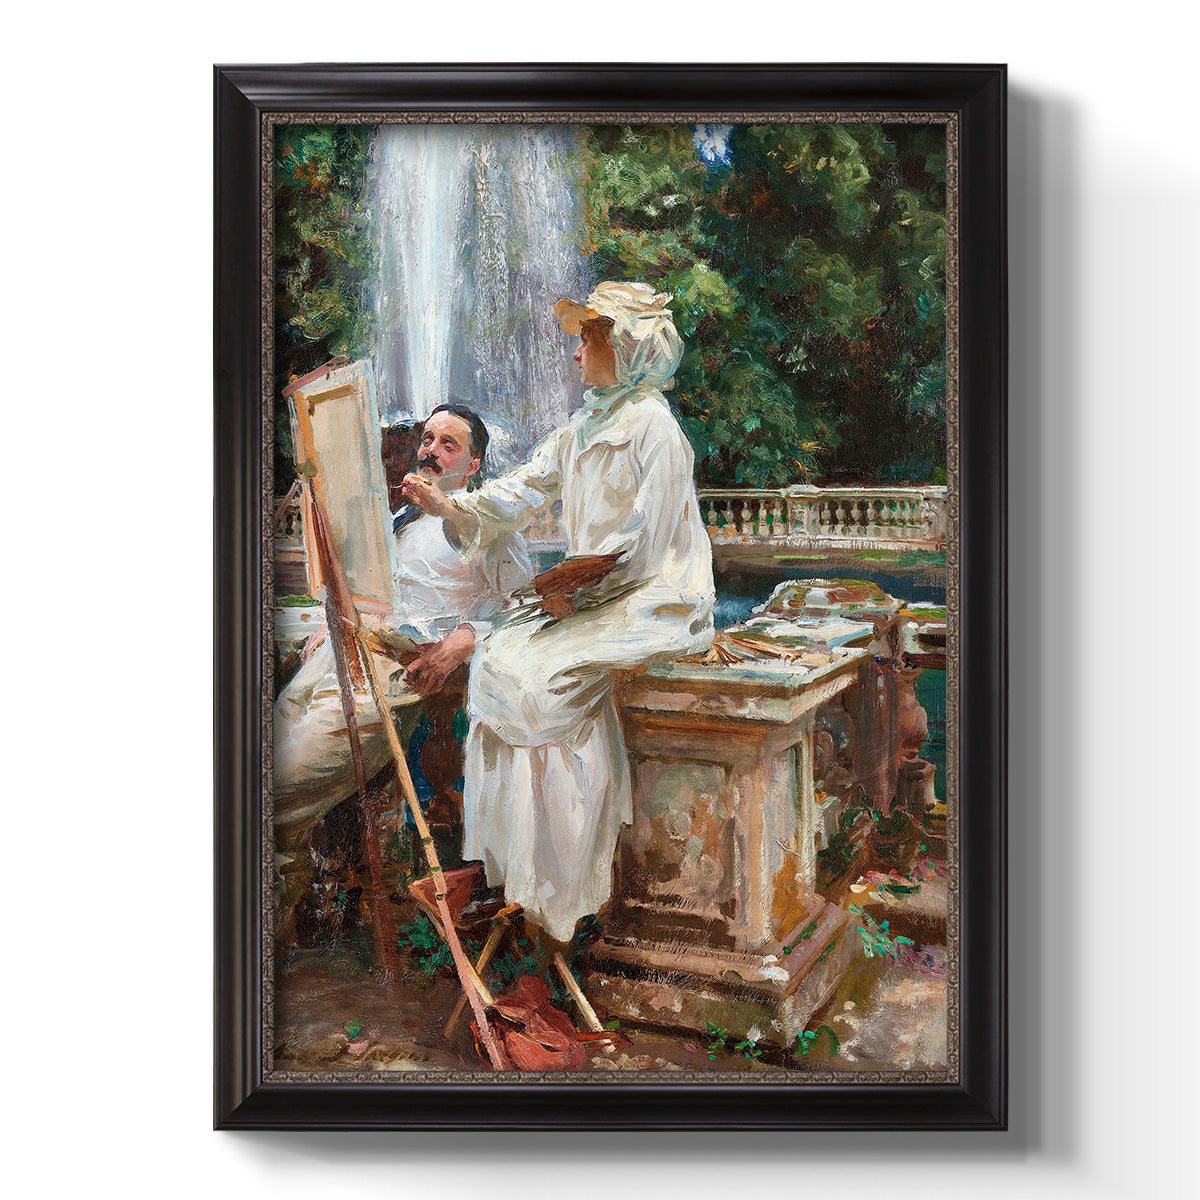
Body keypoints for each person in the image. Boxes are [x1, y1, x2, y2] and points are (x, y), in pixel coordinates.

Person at [400, 282, 715, 952]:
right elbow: (522, 489)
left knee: (542, 679)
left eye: (588, 339)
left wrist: (578, 586)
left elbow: (646, 543)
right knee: (496, 664)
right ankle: (508, 870)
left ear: (624, 348)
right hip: (593, 592)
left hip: (652, 596)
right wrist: (453, 507)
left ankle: (562, 890)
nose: (575, 353)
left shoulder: (656, 429)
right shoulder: (582, 428)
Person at [273, 403, 533, 855]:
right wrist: (335, 622)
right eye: (427, 440)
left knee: (282, 783)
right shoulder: (403, 518)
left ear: (473, 465)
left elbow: (527, 608)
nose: (430, 451)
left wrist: (464, 639)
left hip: (394, 675)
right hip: (342, 654)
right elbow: (374, 590)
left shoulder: (490, 528)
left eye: (448, 444)